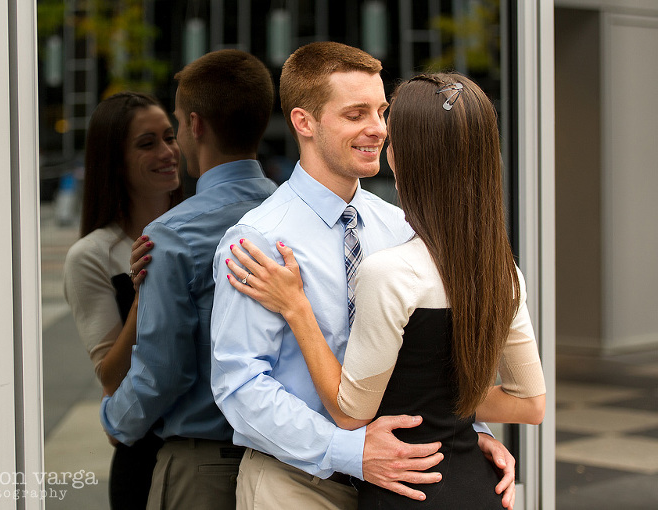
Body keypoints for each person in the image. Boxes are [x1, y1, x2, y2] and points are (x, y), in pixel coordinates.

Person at [211, 42, 518, 510]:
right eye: (356, 114)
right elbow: (240, 386)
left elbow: (430, 356)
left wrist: (468, 431)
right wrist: (352, 453)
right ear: (304, 122)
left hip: (398, 480)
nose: (378, 129)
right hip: (296, 482)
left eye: (381, 111)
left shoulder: (400, 226)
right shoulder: (257, 241)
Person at [99, 49, 278, 510]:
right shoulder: (295, 218)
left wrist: (115, 421)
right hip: (288, 466)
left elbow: (163, 371)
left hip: (205, 470)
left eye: (177, 123)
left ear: (195, 125)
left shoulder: (172, 236)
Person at [63, 91, 182, 509]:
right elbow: (112, 378)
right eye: (147, 144)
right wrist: (145, 293)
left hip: (215, 450)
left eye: (170, 137)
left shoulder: (205, 232)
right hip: (145, 462)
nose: (168, 152)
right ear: (113, 161)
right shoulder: (92, 256)